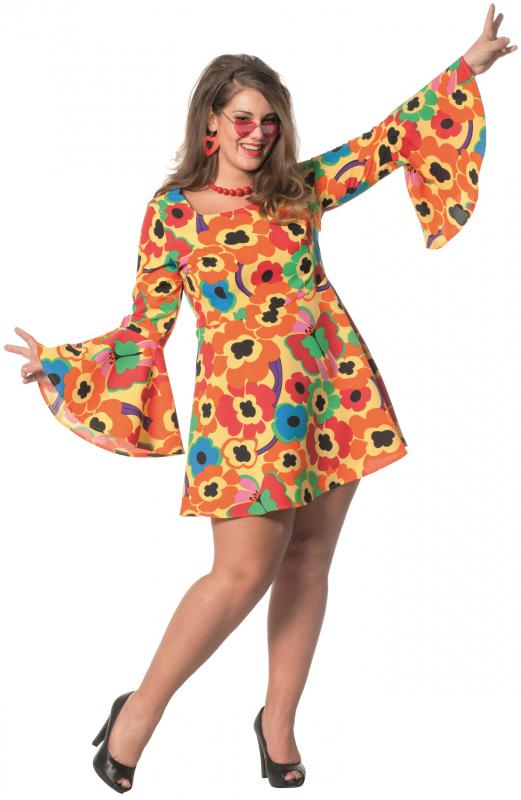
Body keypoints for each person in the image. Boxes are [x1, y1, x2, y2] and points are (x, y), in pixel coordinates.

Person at [4, 3, 516, 791]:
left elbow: (386, 142)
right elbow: (145, 327)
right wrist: (66, 365)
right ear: (210, 122)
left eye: (269, 120)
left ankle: (277, 722)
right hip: (242, 411)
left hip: (333, 391)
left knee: (309, 558)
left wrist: (465, 68)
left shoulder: (298, 190)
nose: (257, 133)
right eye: (243, 118)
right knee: (240, 574)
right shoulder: (173, 212)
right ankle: (138, 712)